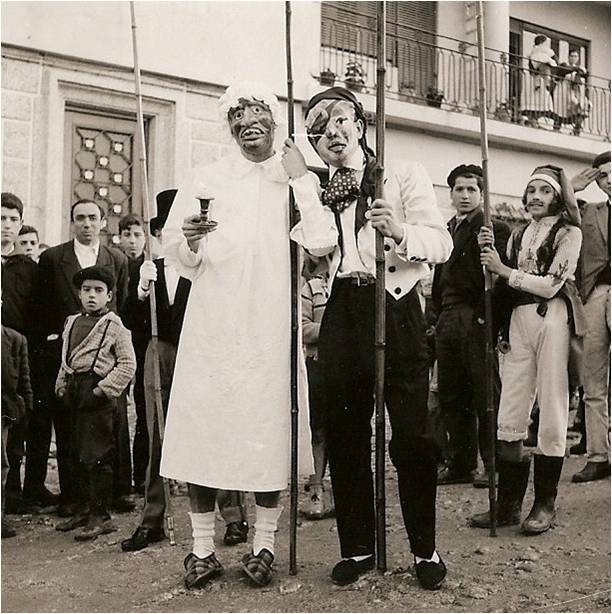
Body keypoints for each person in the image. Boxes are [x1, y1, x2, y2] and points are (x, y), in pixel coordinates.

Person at [285, 86, 453, 590]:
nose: (331, 133)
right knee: (344, 431)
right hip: (343, 307)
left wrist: (399, 231)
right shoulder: (322, 186)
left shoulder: (401, 173)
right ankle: (357, 546)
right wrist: (301, 181)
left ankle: (424, 549)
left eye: (340, 120)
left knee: (412, 432)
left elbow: (440, 242)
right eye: (318, 129)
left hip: (395, 304)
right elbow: (319, 244)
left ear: (359, 125)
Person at [159, 82, 312, 589]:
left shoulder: (292, 178)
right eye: (237, 118)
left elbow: (319, 241)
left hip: (269, 321)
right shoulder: (207, 176)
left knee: (266, 430)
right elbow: (176, 251)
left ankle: (263, 543)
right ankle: (202, 548)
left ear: (274, 120)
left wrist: (301, 179)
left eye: (257, 115)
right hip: (214, 322)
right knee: (207, 429)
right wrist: (189, 240)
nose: (247, 125)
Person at [470, 165, 584, 534]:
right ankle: (508, 505)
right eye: (531, 190)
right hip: (519, 320)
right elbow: (502, 282)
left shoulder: (569, 233)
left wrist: (503, 269)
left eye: (544, 191)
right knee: (511, 406)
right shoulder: (519, 234)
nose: (535, 197)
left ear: (558, 197)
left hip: (552, 318)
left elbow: (551, 285)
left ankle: (544, 504)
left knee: (552, 404)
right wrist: (489, 257)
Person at [25, 199, 129, 516]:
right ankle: (74, 497)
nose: (87, 223)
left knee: (108, 427)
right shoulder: (53, 258)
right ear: (72, 222)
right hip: (67, 356)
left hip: (105, 358)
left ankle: (111, 495)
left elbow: (121, 303)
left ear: (103, 221)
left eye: (93, 217)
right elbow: (41, 305)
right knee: (70, 427)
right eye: (80, 218)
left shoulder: (116, 258)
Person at [432, 165, 511, 488]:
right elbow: (440, 277)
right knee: (452, 394)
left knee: (485, 394)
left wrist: (485, 318)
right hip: (447, 317)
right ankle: (461, 463)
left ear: (482, 193)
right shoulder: (447, 228)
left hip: (475, 314)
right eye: (459, 189)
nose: (465, 196)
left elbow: (500, 279)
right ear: (450, 193)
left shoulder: (493, 228)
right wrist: (436, 316)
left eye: (472, 190)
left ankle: (495, 464)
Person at [54, 266, 136, 541]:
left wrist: (102, 390)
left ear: (109, 296)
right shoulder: (72, 322)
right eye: (86, 290)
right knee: (75, 453)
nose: (92, 295)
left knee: (96, 455)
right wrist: (61, 384)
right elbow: (66, 359)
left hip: (96, 394)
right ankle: (83, 509)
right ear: (79, 293)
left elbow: (127, 365)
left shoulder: (115, 326)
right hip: (74, 392)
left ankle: (101, 516)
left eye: (98, 291)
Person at [571, 151, 611, 483]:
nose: (609, 180)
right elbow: (558, 215)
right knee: (593, 379)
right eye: (603, 175)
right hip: (596, 294)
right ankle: (598, 456)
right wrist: (572, 187)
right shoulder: (590, 211)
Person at [1, 194, 38, 514]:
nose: (7, 226)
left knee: (13, 430)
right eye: (1, 219)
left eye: (13, 219)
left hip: (14, 355)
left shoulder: (27, 268)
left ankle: (10, 499)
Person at [117, 213, 148, 494]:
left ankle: (142, 474)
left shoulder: (150, 267)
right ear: (119, 238)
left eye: (137, 235)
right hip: (117, 345)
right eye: (127, 235)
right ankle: (119, 476)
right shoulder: (116, 265)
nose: (133, 241)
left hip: (141, 343)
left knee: (143, 407)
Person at [301, 266, 332, 519]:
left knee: (347, 432)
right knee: (318, 430)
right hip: (318, 365)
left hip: (350, 366)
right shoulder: (312, 288)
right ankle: (316, 490)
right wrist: (334, 329)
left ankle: (346, 493)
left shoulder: (356, 281)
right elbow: (302, 327)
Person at [1, 323, 33, 538]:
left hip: (3, 411)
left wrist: (25, 407)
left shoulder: (15, 339)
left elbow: (23, 380)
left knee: (1, 464)